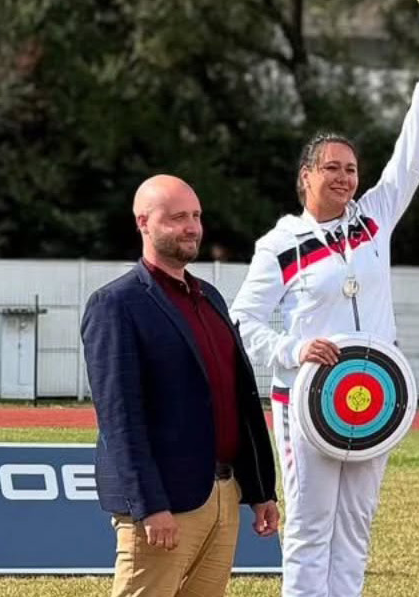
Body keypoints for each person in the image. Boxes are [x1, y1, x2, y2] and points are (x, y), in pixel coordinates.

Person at [230, 47, 419, 597]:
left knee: (355, 526)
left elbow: (411, 159)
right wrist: (294, 349)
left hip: (372, 398)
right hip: (305, 402)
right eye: (331, 167)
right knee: (310, 529)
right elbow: (242, 323)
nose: (344, 177)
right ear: (305, 176)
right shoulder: (281, 244)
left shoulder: (375, 219)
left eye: (351, 168)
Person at [81, 175, 279, 597]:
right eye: (176, 218)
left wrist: (261, 489)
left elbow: (238, 399)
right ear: (143, 223)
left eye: (195, 216)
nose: (191, 227)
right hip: (165, 504)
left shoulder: (209, 297)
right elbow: (120, 419)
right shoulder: (116, 304)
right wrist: (150, 505)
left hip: (224, 495)